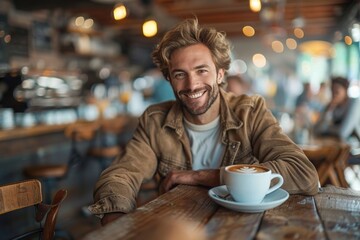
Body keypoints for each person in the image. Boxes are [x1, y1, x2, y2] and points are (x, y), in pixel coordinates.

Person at [89, 18, 319, 226]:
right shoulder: (155, 120)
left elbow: (303, 174)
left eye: (201, 71)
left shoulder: (250, 112)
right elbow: (122, 173)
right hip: (180, 226)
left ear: (220, 74)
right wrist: (116, 221)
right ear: (169, 79)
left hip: (242, 226)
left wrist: (203, 176)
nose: (191, 85)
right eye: (180, 74)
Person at [314, 77, 360, 146]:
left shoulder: (355, 103)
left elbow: (343, 133)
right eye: (332, 91)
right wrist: (329, 111)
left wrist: (327, 129)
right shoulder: (331, 106)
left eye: (337, 91)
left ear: (345, 90)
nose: (334, 94)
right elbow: (317, 130)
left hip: (354, 148)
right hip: (335, 147)